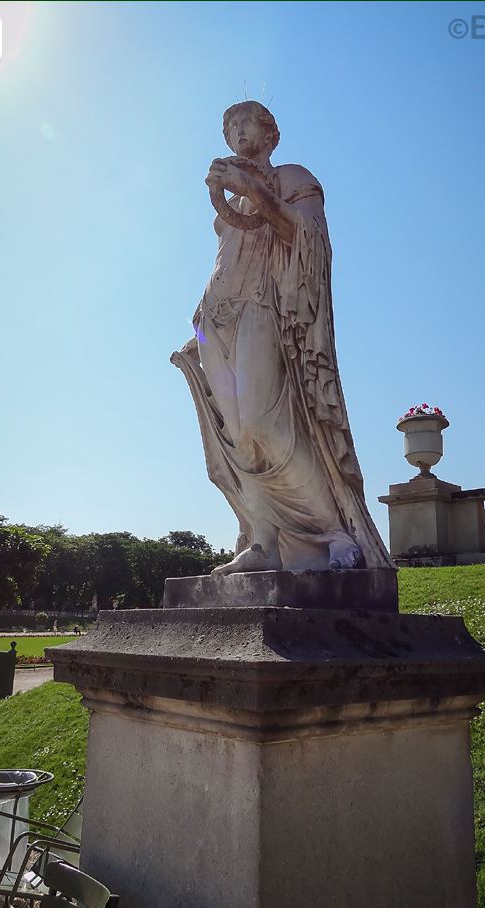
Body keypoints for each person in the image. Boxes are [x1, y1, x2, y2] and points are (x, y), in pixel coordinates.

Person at [172, 102, 392, 575]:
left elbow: (310, 238)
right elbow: (223, 260)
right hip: (215, 315)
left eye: (245, 121)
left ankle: (333, 530)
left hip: (262, 304)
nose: (235, 130)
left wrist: (256, 192)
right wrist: (197, 328)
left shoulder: (292, 177)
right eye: (228, 125)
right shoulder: (230, 201)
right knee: (236, 437)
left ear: (271, 133)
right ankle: (265, 540)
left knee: (264, 425)